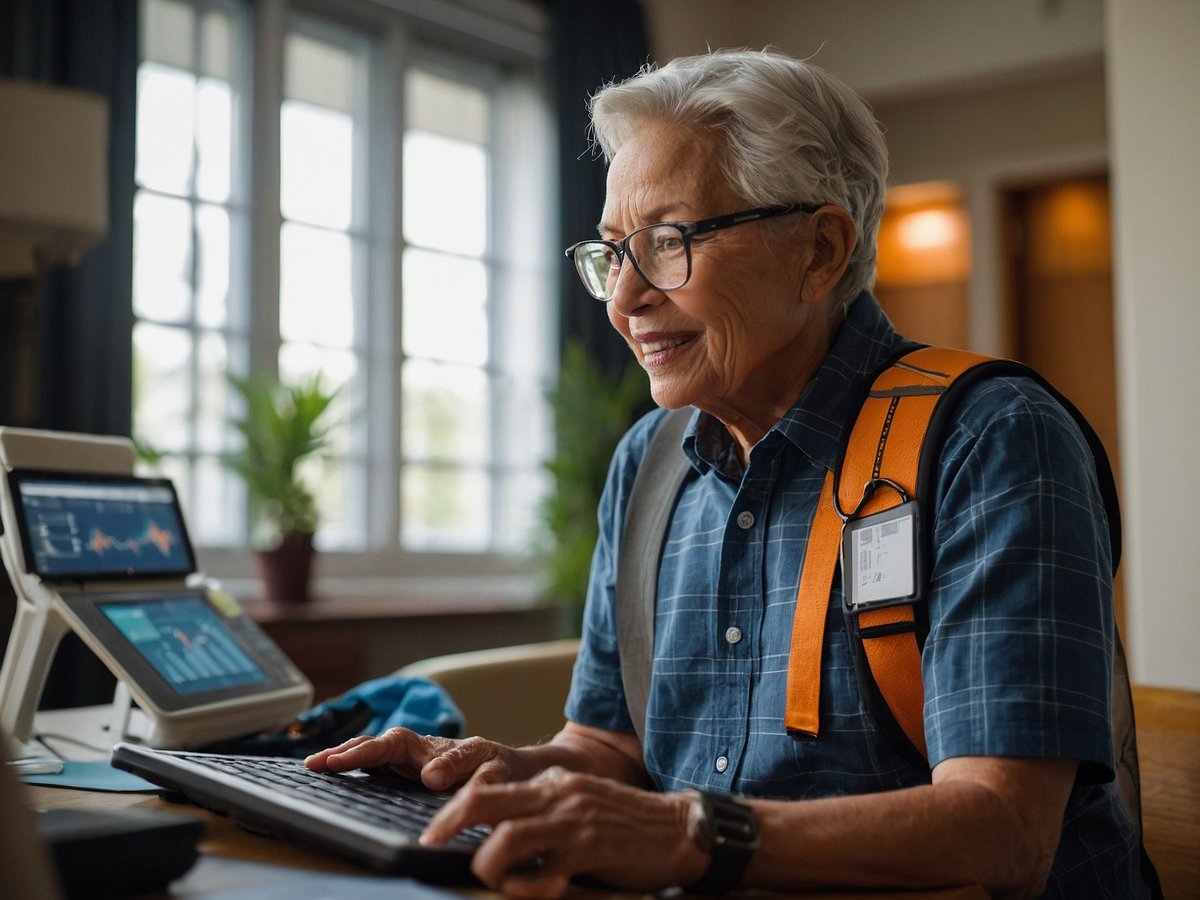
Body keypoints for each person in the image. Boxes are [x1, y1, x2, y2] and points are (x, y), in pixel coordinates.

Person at [307, 49, 1152, 898]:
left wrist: (689, 833)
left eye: (667, 243)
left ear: (820, 251)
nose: (624, 298)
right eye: (611, 253)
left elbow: (1001, 832)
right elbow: (607, 750)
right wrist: (495, 773)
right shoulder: (649, 463)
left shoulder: (990, 440)